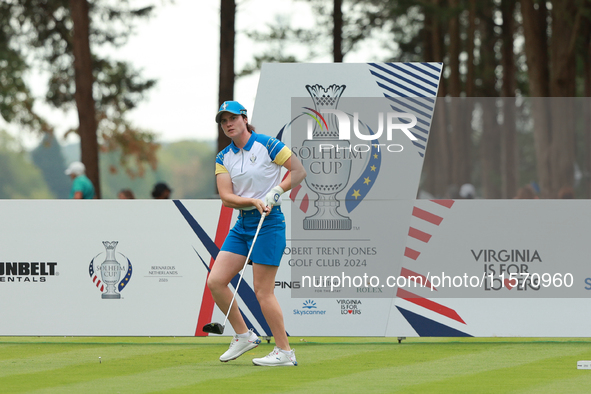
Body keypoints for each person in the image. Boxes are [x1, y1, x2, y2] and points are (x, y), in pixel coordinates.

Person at [207, 101, 306, 366]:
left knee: (263, 291)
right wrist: (252, 201)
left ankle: (285, 351)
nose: (228, 124)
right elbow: (227, 198)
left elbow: (298, 171)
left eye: (232, 118)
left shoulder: (268, 144)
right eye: (223, 121)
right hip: (244, 224)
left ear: (244, 118)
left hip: (269, 223)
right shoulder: (223, 157)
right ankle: (243, 336)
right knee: (216, 281)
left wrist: (277, 191)